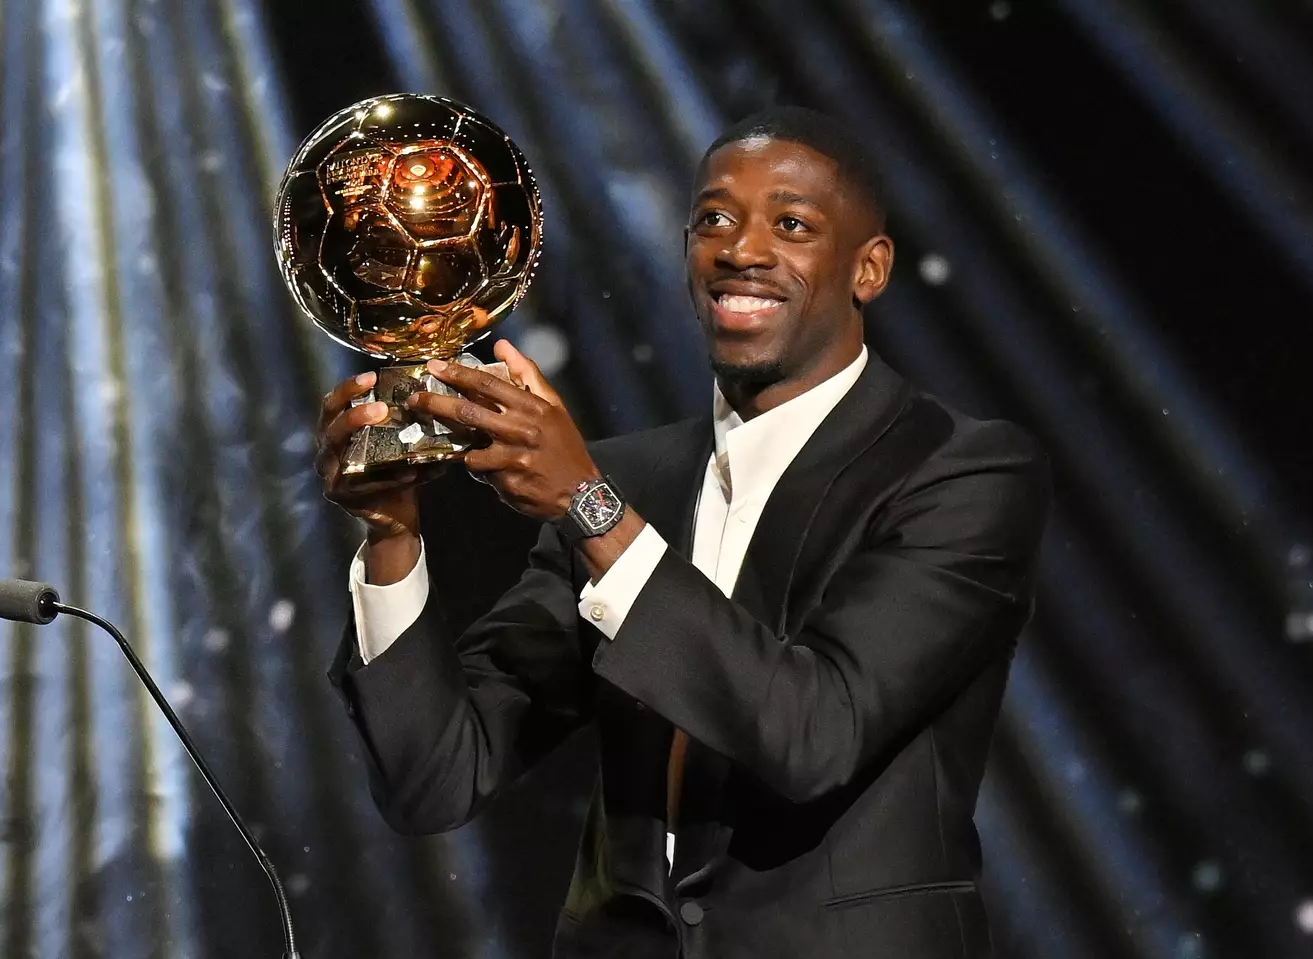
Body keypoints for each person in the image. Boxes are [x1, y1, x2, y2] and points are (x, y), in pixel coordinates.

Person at [316, 107, 1050, 959]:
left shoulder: (961, 472)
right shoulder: (634, 481)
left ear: (870, 269)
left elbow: (815, 732)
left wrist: (589, 505)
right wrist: (391, 532)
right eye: (714, 219)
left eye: (793, 224)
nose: (740, 249)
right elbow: (436, 779)